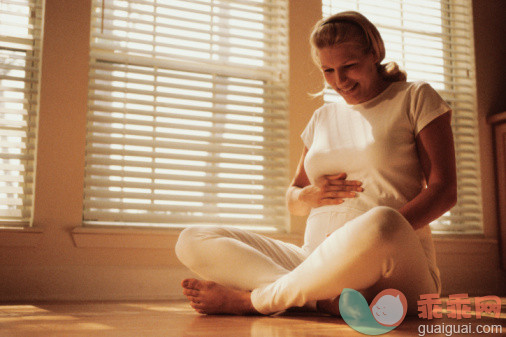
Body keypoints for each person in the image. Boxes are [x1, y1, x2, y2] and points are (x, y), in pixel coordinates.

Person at [175, 11, 457, 316]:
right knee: (192, 238)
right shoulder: (322, 118)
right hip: (314, 260)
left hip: (391, 266)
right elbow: (293, 199)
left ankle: (255, 301)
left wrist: (352, 239)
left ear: (374, 53)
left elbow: (444, 190)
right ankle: (318, 297)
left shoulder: (415, 97)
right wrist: (307, 196)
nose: (339, 81)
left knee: (383, 222)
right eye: (328, 70)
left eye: (349, 67)